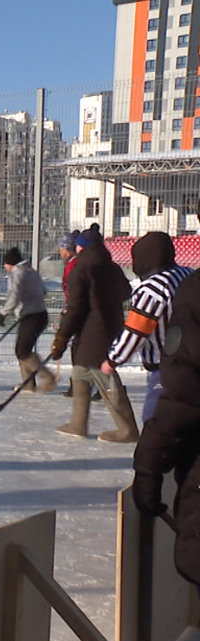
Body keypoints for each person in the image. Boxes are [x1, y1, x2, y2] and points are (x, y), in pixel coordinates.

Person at [131, 270, 200, 591]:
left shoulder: (159, 288)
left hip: (163, 378)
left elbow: (186, 391)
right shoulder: (180, 279)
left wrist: (149, 463)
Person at [51, 227, 136, 441]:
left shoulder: (81, 269)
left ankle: (127, 429)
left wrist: (61, 338)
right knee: (80, 372)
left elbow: (76, 308)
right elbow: (127, 291)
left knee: (103, 374)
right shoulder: (112, 267)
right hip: (110, 326)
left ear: (81, 247)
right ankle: (78, 424)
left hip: (92, 333)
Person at [105, 231, 192, 422]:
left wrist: (112, 359)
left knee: (156, 423)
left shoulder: (152, 289)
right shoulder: (187, 274)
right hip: (193, 362)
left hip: (166, 369)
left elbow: (136, 331)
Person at [0, 246, 55, 392]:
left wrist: (4, 313)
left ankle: (47, 377)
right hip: (40, 315)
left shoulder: (17, 274)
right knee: (23, 349)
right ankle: (28, 383)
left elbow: (14, 295)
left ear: (9, 263)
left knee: (22, 350)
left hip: (31, 316)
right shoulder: (31, 271)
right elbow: (43, 291)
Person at [57, 231, 81, 398]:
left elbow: (74, 292)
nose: (60, 252)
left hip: (78, 311)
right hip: (75, 308)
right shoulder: (72, 264)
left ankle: (78, 386)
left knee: (79, 351)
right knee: (79, 350)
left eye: (61, 248)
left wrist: (69, 308)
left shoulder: (74, 266)